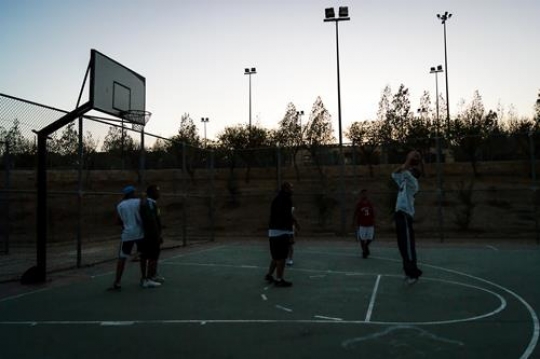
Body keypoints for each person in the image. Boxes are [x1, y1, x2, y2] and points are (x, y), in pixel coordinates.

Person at [108, 185, 161, 290]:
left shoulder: (120, 205)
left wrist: (126, 224)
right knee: (143, 256)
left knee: (122, 258)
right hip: (140, 233)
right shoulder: (138, 202)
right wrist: (144, 196)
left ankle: (117, 282)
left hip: (127, 234)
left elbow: (118, 221)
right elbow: (145, 208)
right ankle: (144, 279)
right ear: (132, 193)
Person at [392, 150, 424, 284]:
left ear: (414, 174)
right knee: (402, 246)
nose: (410, 169)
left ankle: (414, 274)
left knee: (408, 246)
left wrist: (409, 158)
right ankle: (407, 271)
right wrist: (408, 161)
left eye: (412, 169)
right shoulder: (404, 181)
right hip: (399, 215)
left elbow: (404, 169)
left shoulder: (413, 183)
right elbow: (394, 174)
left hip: (405, 215)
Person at [265, 181, 299, 287]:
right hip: (282, 232)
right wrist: (292, 231)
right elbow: (287, 216)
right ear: (286, 189)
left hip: (272, 231)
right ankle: (279, 280)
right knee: (282, 258)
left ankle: (269, 275)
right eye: (291, 188)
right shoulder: (286, 199)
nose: (293, 190)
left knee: (275, 257)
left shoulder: (276, 199)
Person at [139, 184, 165, 284]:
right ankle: (148, 278)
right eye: (156, 191)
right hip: (150, 236)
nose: (159, 193)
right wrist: (156, 235)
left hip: (154, 235)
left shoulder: (153, 203)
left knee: (154, 255)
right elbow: (151, 221)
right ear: (151, 193)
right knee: (150, 256)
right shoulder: (148, 203)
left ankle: (152, 275)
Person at [353, 189, 375, 258]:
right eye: (363, 194)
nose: (364, 195)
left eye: (366, 193)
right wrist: (353, 221)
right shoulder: (359, 204)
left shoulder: (369, 203)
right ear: (361, 195)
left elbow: (372, 214)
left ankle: (366, 247)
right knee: (362, 239)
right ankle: (364, 252)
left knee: (370, 238)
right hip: (362, 224)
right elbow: (355, 213)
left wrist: (374, 221)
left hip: (370, 224)